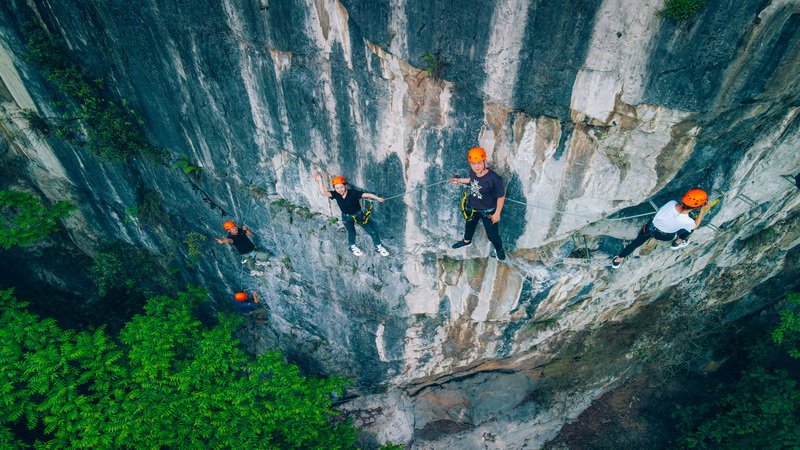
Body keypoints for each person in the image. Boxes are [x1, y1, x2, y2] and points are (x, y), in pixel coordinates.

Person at [611, 189, 710, 268]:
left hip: (649, 229)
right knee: (690, 229)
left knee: (636, 243)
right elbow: (695, 226)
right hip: (665, 236)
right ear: (697, 207)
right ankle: (677, 243)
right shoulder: (687, 221)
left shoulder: (671, 203)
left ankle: (617, 260)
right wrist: (701, 212)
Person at [311, 173, 390, 256]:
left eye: (341, 187)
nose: (340, 189)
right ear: (334, 188)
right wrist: (320, 180)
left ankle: (379, 247)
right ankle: (353, 246)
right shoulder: (335, 194)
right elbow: (323, 192)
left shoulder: (353, 193)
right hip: (346, 217)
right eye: (337, 188)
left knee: (372, 231)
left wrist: (378, 198)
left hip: (359, 215)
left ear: (345, 186)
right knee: (351, 232)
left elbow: (367, 195)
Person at [450, 147, 507, 260]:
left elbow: (501, 197)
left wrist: (497, 213)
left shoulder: (494, 179)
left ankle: (499, 249)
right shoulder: (474, 172)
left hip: (488, 211)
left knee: (493, 236)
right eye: (473, 164)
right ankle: (467, 241)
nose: (476, 166)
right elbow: (473, 180)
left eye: (479, 163)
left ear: (485, 162)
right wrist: (460, 180)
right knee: (469, 226)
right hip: (473, 207)